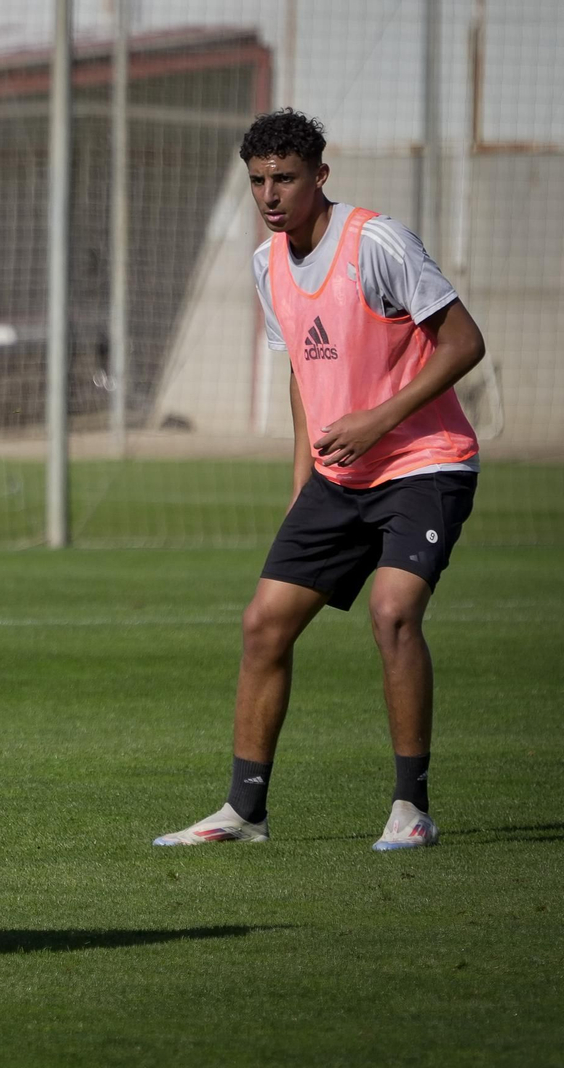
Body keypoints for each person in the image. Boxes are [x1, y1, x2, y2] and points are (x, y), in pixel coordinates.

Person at [154, 109, 485, 851]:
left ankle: (412, 810)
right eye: (258, 181)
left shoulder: (376, 243)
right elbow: (304, 376)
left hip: (424, 463)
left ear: (320, 176)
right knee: (263, 624)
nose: (270, 195)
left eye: (286, 178)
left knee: (392, 612)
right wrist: (303, 482)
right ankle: (244, 813)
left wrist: (377, 419)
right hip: (339, 477)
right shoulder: (265, 262)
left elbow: (465, 342)